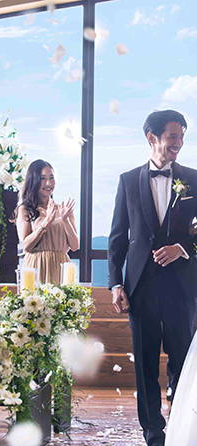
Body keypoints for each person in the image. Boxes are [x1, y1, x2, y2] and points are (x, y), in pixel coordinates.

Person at [108, 110, 197, 446]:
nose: (179, 143)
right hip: (140, 288)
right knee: (145, 366)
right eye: (173, 136)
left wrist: (183, 248)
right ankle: (153, 434)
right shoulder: (128, 180)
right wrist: (116, 283)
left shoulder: (194, 179)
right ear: (152, 138)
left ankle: (180, 429)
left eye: (183, 136)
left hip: (181, 287)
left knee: (181, 361)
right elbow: (117, 238)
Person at [16, 159, 78, 285]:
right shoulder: (25, 209)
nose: (48, 183)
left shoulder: (64, 209)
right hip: (35, 266)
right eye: (43, 178)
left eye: (51, 177)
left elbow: (75, 246)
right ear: (34, 180)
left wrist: (65, 220)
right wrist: (47, 221)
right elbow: (26, 246)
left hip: (61, 266)